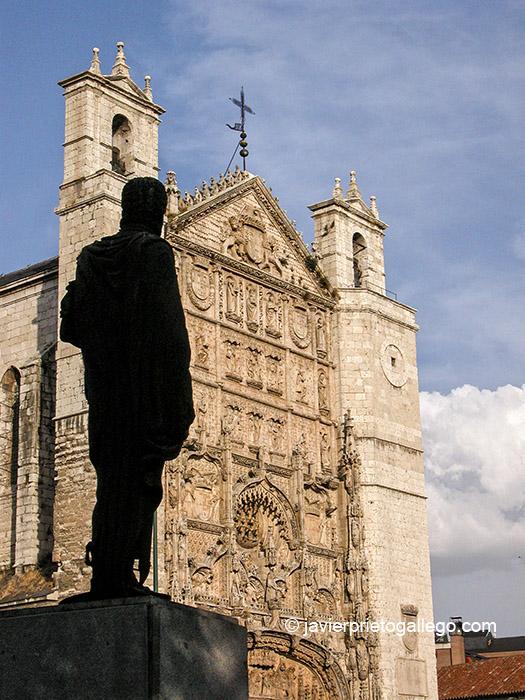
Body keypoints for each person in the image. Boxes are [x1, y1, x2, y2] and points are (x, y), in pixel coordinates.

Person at [60, 177, 194, 599]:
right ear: (155, 212)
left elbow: (72, 328)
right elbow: (169, 329)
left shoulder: (90, 257)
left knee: (110, 483)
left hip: (103, 392)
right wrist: (178, 396)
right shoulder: (153, 251)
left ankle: (108, 575)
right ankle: (119, 577)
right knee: (139, 485)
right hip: (143, 394)